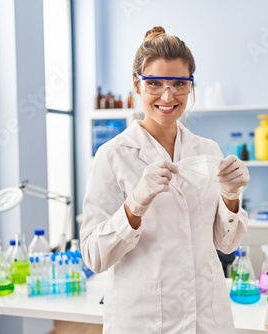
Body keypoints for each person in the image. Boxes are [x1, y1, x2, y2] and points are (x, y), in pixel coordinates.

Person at [80, 26, 250, 334]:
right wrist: (134, 205)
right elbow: (93, 256)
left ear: (190, 86)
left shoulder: (207, 150)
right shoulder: (112, 155)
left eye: (178, 84)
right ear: (137, 84)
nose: (167, 96)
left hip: (205, 317)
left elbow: (226, 243)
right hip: (142, 320)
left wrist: (231, 197)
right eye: (155, 83)